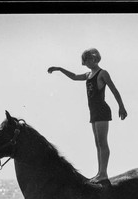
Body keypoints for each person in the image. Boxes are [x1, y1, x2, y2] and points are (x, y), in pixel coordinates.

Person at [48, 48, 127, 183]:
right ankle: (99, 172)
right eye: (84, 62)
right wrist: (60, 69)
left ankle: (103, 173)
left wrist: (121, 106)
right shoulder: (88, 74)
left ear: (94, 59)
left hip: (102, 110)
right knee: (97, 143)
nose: (85, 64)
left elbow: (114, 89)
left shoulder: (103, 73)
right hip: (94, 112)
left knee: (102, 142)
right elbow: (74, 77)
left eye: (86, 61)